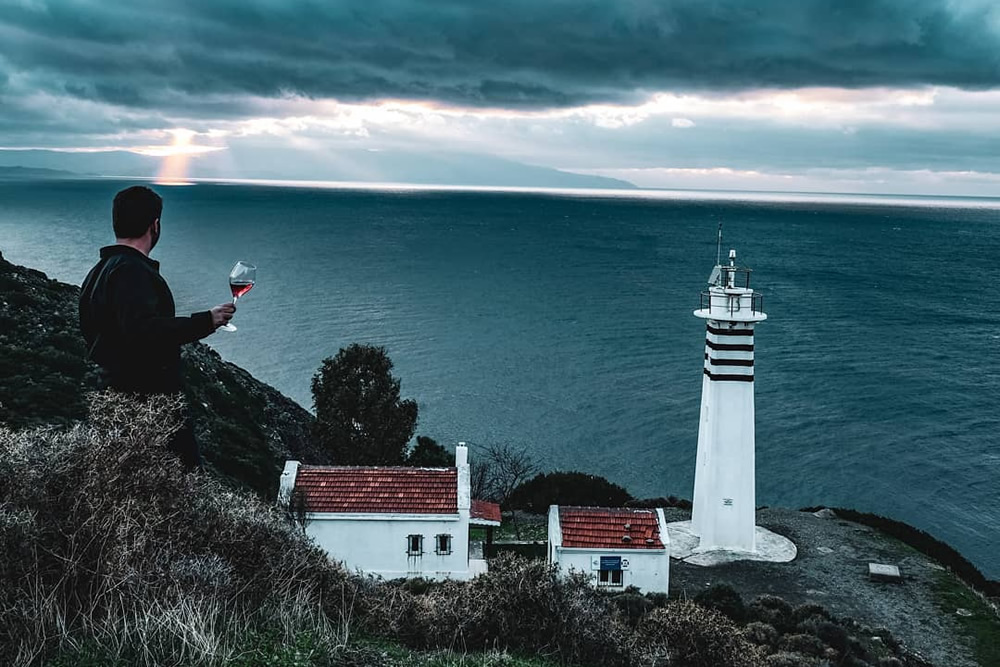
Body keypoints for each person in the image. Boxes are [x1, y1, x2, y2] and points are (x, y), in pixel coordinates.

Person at [79, 185, 235, 468]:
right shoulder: (131, 270)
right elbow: (143, 331)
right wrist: (206, 321)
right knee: (182, 487)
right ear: (155, 225)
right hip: (149, 406)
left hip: (112, 401)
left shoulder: (98, 272)